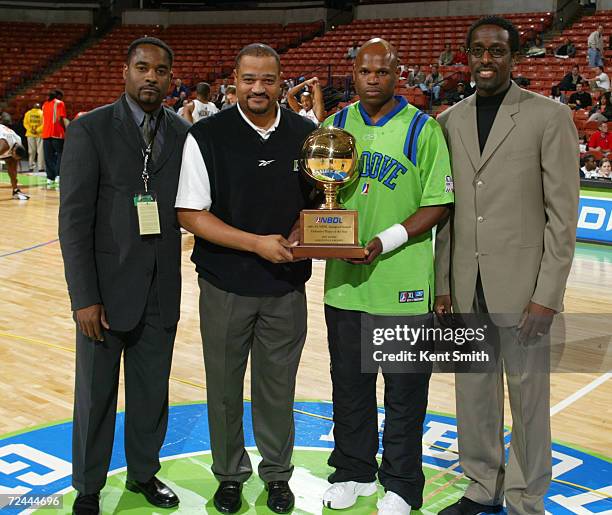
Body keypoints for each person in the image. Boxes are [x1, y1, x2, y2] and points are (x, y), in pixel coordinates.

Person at [435, 16, 579, 515]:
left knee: (528, 401)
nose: (486, 60)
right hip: (463, 283)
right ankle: (480, 485)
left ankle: (526, 497)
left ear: (514, 57)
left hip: (523, 290)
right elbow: (447, 211)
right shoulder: (449, 120)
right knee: (473, 393)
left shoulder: (547, 115)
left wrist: (548, 296)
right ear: (467, 56)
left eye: (496, 50)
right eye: (477, 51)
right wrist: (442, 286)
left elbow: (562, 218)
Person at [175, 43, 316, 515]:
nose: (258, 88)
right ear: (233, 80)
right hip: (225, 284)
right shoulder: (206, 135)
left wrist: (306, 227)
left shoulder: (306, 133)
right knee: (224, 387)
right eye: (249, 79)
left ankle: (277, 475)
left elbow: (321, 202)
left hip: (286, 286)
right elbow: (191, 214)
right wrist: (255, 243)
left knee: (279, 389)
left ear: (281, 81)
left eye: (268, 80)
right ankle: (230, 475)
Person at [319, 38, 453, 515]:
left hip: (403, 285)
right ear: (352, 74)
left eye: (382, 71)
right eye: (364, 71)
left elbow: (438, 202)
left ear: (399, 74)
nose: (372, 78)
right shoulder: (333, 125)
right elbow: (320, 197)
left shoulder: (423, 128)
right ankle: (353, 472)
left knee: (404, 393)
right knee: (349, 387)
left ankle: (400, 484)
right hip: (344, 286)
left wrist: (384, 241)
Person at [58, 36, 190, 515]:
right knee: (95, 397)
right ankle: (88, 487)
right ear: (125, 72)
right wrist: (83, 297)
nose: (150, 77)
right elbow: (73, 221)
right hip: (105, 294)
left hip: (161, 289)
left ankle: (143, 475)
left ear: (171, 77)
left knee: (152, 393)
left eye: (160, 70)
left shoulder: (180, 132)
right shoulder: (89, 129)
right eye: (142, 67)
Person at [42, 89, 68, 188]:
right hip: (57, 133)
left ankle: (50, 177)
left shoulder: (44, 105)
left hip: (45, 134)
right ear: (59, 96)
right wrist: (66, 129)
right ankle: (58, 175)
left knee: (48, 157)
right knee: (60, 155)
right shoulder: (60, 103)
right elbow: (61, 119)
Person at [0, 124, 30, 200]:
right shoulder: (4, 145)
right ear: (13, 152)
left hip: (5, 137)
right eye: (15, 157)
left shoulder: (19, 140)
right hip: (3, 140)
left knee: (12, 166)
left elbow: (13, 169)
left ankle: (15, 191)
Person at [23, 102, 44, 174]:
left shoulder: (28, 113)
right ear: (40, 107)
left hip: (30, 134)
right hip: (40, 134)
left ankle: (31, 166)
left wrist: (30, 130)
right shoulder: (42, 113)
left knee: (31, 151)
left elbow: (25, 123)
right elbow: (44, 123)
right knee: (40, 151)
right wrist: (37, 130)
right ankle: (41, 168)